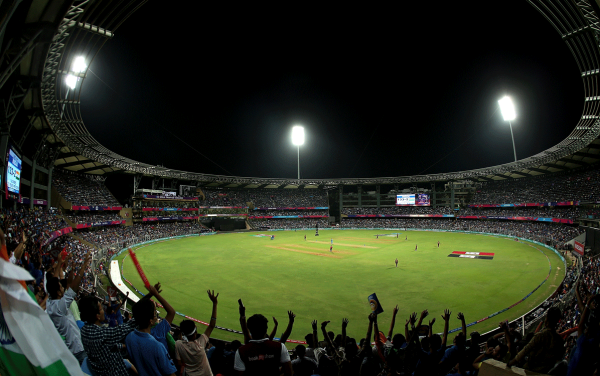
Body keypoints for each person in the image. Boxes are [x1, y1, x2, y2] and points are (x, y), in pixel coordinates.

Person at [46, 253, 92, 365]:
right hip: (77, 350)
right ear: (58, 292)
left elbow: (54, 280)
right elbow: (73, 288)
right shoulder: (59, 307)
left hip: (70, 349)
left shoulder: (49, 302)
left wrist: (59, 263)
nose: (63, 288)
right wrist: (83, 266)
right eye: (61, 287)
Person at [79, 294, 138, 376]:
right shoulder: (100, 335)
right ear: (97, 316)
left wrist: (122, 346)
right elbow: (127, 327)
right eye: (101, 309)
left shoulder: (84, 330)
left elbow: (106, 346)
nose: (104, 310)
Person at [126, 284, 177, 376]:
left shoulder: (129, 337)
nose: (155, 317)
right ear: (151, 321)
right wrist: (156, 294)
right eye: (155, 314)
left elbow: (137, 309)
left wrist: (151, 294)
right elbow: (171, 312)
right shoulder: (158, 341)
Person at [174, 290, 219, 376]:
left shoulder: (178, 344)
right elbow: (212, 325)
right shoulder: (200, 343)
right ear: (195, 332)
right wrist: (215, 304)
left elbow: (179, 364)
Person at [507, 306, 564, 373]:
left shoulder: (540, 335)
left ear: (547, 318)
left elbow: (525, 351)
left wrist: (509, 364)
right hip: (546, 371)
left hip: (532, 370)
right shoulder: (559, 340)